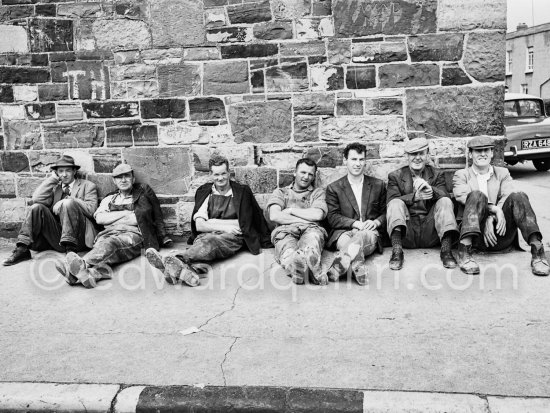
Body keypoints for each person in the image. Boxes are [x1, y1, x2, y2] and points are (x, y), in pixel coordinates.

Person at [146, 155, 272, 287]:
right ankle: (184, 274)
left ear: (229, 173)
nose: (220, 178)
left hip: (232, 237)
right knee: (206, 246)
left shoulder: (242, 192)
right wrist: (226, 226)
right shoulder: (205, 192)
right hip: (208, 235)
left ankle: (176, 259)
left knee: (212, 241)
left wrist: (211, 223)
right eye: (216, 174)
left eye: (224, 173)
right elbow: (199, 225)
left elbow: (243, 224)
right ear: (211, 174)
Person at [56, 163, 172, 288]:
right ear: (114, 181)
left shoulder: (142, 195)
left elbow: (137, 219)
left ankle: (80, 266)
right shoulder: (109, 198)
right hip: (106, 234)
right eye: (119, 177)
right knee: (103, 248)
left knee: (111, 244)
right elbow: (100, 218)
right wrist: (126, 214)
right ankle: (90, 275)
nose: (123, 180)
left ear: (133, 179)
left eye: (127, 176)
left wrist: (113, 217)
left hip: (133, 234)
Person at [453, 136, 549, 276]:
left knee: (519, 196)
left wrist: (491, 218)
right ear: (470, 154)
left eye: (486, 150)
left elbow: (507, 195)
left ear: (492, 153)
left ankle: (538, 254)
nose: (483, 154)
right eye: (478, 151)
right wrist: (492, 209)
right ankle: (464, 254)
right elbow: (462, 195)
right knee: (476, 195)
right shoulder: (461, 175)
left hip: (502, 234)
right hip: (475, 238)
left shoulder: (502, 173)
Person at [3, 154, 98, 266]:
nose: (64, 174)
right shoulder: (54, 188)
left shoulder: (88, 186)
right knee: (36, 207)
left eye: (68, 170)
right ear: (56, 173)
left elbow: (91, 210)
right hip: (57, 237)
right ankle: (22, 249)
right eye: (61, 171)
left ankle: (71, 251)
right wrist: (53, 179)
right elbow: (36, 199)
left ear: (74, 171)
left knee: (68, 203)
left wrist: (68, 201)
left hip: (79, 237)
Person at [386, 137, 459, 270]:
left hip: (430, 231)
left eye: (421, 153)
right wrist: (415, 197)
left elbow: (446, 197)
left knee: (444, 201)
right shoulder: (395, 176)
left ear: (427, 155)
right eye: (413, 154)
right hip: (407, 232)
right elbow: (390, 202)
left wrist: (431, 190)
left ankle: (446, 250)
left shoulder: (437, 174)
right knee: (395, 203)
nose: (417, 158)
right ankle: (397, 251)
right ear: (407, 156)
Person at [324, 143, 387, 285]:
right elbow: (332, 218)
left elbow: (386, 211)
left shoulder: (378, 185)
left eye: (361, 159)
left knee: (361, 236)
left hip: (369, 232)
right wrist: (355, 223)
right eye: (353, 159)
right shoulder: (334, 188)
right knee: (349, 243)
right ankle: (356, 266)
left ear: (365, 161)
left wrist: (376, 222)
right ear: (345, 160)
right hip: (343, 233)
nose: (358, 164)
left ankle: (338, 267)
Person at [267, 158, 328, 285]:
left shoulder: (317, 193)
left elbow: (318, 214)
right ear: (295, 172)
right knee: (288, 252)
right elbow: (274, 216)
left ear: (314, 177)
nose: (306, 177)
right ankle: (307, 270)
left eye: (310, 174)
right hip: (285, 232)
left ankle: (303, 269)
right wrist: (305, 218)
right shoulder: (281, 192)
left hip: (311, 230)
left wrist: (290, 210)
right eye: (303, 172)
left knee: (311, 244)